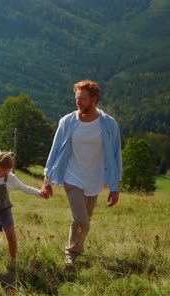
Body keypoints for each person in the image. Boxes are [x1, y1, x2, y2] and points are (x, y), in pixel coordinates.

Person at [41, 80, 122, 266]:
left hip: (94, 180)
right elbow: (54, 152)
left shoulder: (109, 124)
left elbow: (116, 156)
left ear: (95, 99)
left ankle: (76, 251)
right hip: (72, 176)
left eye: (83, 99)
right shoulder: (67, 122)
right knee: (81, 218)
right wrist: (47, 180)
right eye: (77, 98)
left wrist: (115, 187)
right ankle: (71, 255)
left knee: (85, 220)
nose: (78, 102)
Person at [0, 150, 43, 263]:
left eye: (8, 169)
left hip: (5, 211)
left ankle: (13, 261)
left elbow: (25, 188)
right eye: (3, 170)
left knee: (11, 236)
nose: (6, 172)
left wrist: (40, 193)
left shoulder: (11, 178)